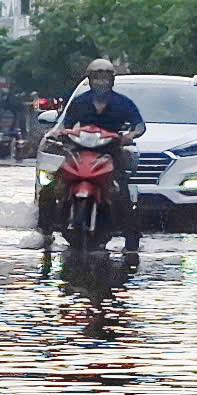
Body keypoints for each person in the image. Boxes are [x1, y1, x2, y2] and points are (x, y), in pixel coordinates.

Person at [46, 58, 146, 253]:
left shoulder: (123, 103)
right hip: (80, 151)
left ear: (112, 80)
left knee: (124, 193)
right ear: (90, 80)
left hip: (110, 151)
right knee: (51, 187)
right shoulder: (79, 102)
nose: (101, 82)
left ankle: (131, 240)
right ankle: (45, 230)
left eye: (105, 77)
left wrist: (129, 136)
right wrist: (60, 136)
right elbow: (65, 126)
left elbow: (139, 126)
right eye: (96, 77)